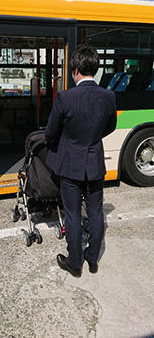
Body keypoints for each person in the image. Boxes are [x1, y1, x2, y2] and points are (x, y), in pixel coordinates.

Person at [45, 43, 117, 277]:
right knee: (96, 213)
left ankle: (75, 264)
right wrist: (92, 139)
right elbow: (111, 126)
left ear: (75, 69)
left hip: (70, 165)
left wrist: (64, 145)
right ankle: (92, 259)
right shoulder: (108, 96)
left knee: (73, 214)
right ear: (94, 69)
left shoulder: (65, 97)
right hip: (95, 162)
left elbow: (50, 133)